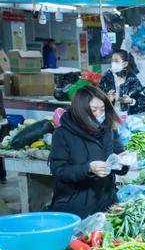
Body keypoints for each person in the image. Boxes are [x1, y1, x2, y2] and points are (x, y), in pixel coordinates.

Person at [49, 86, 129, 219]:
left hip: (106, 203)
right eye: (94, 110)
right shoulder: (62, 134)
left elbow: (119, 155)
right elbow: (59, 170)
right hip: (75, 207)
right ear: (80, 111)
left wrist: (123, 162)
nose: (99, 114)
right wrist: (88, 168)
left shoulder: (109, 130)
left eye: (103, 109)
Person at [99, 50, 145, 115]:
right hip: (109, 117)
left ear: (125, 64)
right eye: (112, 61)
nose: (113, 63)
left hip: (128, 118)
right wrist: (107, 99)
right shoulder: (105, 79)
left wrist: (131, 101)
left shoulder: (132, 80)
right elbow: (96, 100)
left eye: (116, 61)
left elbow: (144, 103)